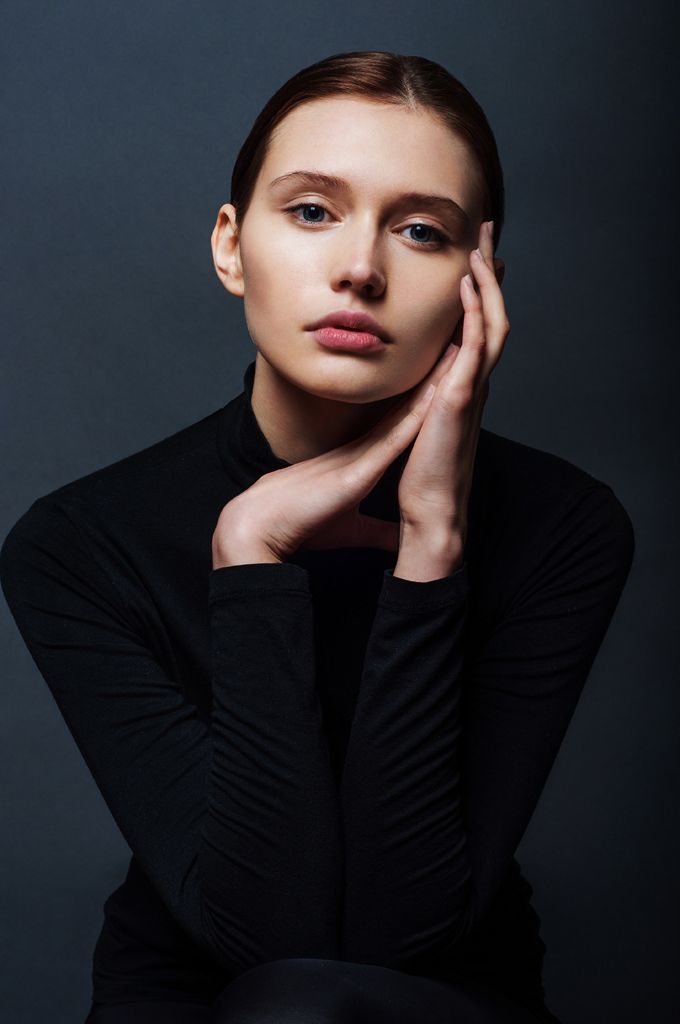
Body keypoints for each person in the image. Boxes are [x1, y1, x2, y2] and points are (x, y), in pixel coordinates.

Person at [0, 50, 635, 1024]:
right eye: (310, 211)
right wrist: (248, 555)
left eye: (420, 230)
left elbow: (395, 941)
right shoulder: (79, 545)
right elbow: (270, 933)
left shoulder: (563, 528)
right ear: (229, 245)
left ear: (480, 286)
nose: (358, 267)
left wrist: (431, 545)